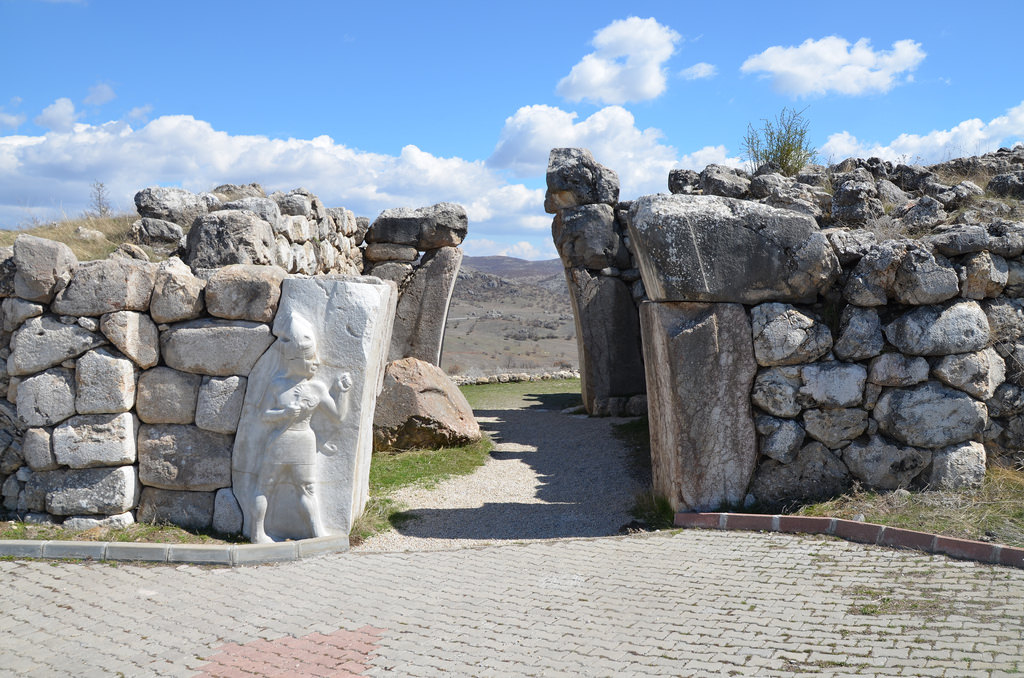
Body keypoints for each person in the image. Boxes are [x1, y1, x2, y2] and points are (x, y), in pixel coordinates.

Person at [249, 315, 351, 544]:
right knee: (265, 486)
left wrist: (341, 392)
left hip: (304, 442)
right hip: (279, 441)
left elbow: (337, 415)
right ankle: (257, 534)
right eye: (309, 358)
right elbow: (262, 415)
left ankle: (317, 532)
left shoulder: (316, 387)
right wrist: (284, 414)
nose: (315, 362)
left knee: (307, 488)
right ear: (294, 360)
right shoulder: (277, 385)